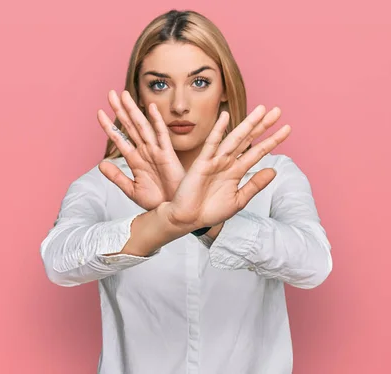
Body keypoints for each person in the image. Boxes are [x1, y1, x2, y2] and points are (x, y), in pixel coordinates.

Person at [40, 9, 333, 374]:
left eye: (199, 82)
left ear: (225, 87)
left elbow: (314, 265)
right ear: (137, 93)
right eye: (159, 84)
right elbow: (58, 261)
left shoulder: (275, 176)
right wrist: (166, 222)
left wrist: (212, 225)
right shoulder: (106, 181)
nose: (179, 105)